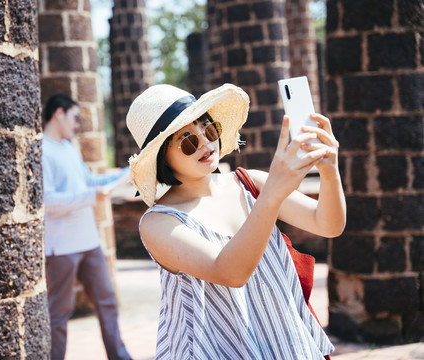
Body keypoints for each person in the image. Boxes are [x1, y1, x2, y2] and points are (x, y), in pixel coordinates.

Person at [125, 83, 346, 359]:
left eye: (208, 129)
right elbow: (230, 272)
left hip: (284, 343)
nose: (205, 142)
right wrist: (272, 195)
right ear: (162, 159)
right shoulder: (158, 222)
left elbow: (328, 225)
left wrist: (330, 171)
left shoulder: (250, 183)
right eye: (188, 141)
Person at [42, 93, 132, 360]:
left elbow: (88, 182)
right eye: (75, 117)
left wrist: (125, 174)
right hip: (61, 247)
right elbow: (47, 201)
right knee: (58, 314)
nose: (77, 124)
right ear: (59, 113)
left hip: (89, 243)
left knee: (107, 303)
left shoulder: (69, 148)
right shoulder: (42, 150)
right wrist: (93, 197)